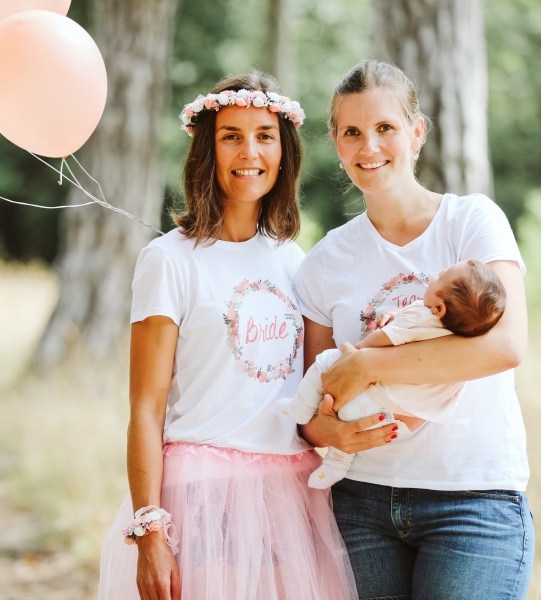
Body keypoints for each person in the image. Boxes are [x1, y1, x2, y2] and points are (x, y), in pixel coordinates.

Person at [98, 71, 388, 600]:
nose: (248, 151)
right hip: (202, 494)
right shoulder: (169, 260)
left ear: (284, 152)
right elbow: (146, 405)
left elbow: (309, 389)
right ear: (208, 148)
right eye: (231, 135)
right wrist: (149, 527)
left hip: (289, 496)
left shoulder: (295, 261)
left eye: (264, 135)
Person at [293, 59, 535, 599]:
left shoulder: (472, 222)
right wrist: (322, 433)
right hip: (361, 507)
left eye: (385, 128)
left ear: (417, 132)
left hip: (472, 501)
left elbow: (507, 345)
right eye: (352, 132)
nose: (369, 146)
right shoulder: (325, 260)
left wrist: (371, 364)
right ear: (335, 142)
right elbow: (310, 396)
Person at [286, 259, 507, 489]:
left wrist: (359, 354)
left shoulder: (422, 317)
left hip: (375, 394)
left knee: (324, 363)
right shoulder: (448, 334)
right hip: (391, 411)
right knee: (350, 420)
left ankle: (300, 409)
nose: (440, 271)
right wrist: (394, 313)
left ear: (439, 309)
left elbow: (385, 338)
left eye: (444, 276)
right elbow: (410, 322)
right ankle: (336, 465)